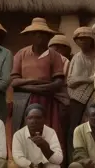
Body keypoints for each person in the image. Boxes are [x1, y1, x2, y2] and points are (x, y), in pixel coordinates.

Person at [10, 18, 67, 155]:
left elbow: (58, 82)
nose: (39, 37)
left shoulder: (54, 55)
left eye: (43, 34)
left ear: (49, 37)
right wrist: (36, 84)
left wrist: (31, 84)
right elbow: (14, 81)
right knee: (25, 131)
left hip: (47, 101)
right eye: (36, 34)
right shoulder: (21, 54)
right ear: (30, 36)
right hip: (24, 100)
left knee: (49, 131)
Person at [11, 104, 64, 168]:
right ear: (26, 119)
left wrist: (45, 147)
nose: (34, 121)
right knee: (15, 165)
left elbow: (59, 159)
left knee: (55, 166)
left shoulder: (50, 132)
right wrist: (30, 165)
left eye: (38, 118)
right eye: (30, 118)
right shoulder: (18, 135)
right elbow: (17, 156)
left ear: (45, 120)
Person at [67, 27, 95, 156]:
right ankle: (75, 158)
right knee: (74, 129)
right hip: (77, 97)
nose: (82, 42)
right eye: (79, 39)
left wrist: (85, 80)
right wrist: (88, 79)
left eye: (86, 39)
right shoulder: (76, 58)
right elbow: (70, 81)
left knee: (94, 127)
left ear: (91, 40)